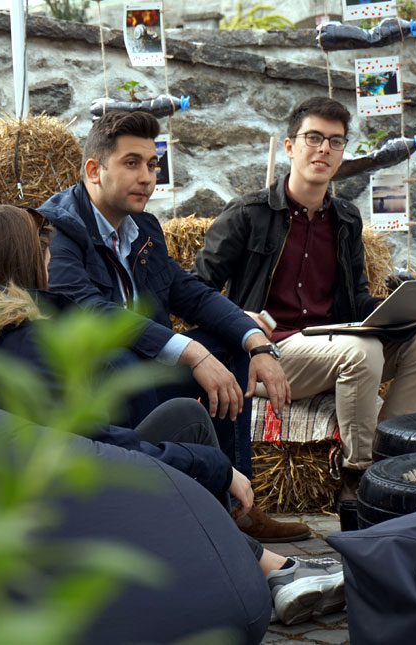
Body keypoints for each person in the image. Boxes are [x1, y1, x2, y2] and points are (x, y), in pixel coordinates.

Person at [0, 204, 345, 625]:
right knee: (187, 434)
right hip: (78, 499)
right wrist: (216, 467)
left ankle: (260, 565)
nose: (50, 254)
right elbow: (96, 447)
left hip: (40, 486)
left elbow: (191, 295)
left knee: (185, 416)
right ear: (24, 259)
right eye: (43, 246)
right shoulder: (24, 340)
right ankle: (265, 571)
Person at [37, 110, 309, 543]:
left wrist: (256, 342)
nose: (147, 177)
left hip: (142, 367)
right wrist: (191, 352)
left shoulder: (143, 227)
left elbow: (188, 292)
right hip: (90, 384)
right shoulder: (59, 230)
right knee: (122, 360)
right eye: (132, 163)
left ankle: (237, 504)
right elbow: (90, 309)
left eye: (152, 164)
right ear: (93, 170)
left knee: (227, 347)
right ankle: (162, 512)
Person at [192, 97, 416, 528]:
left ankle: (388, 461)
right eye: (313, 138)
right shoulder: (248, 214)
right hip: (269, 354)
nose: (324, 149)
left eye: (335, 141)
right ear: (290, 147)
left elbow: (356, 299)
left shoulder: (346, 219)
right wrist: (239, 322)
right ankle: (357, 475)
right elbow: (196, 287)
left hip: (331, 345)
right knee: (361, 352)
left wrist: (398, 310)